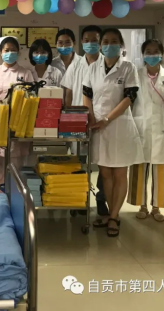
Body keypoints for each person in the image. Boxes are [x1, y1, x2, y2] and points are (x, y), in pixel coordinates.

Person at [83, 28, 144, 237]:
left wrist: (107, 119)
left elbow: (129, 98)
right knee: (106, 174)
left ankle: (114, 216)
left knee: (119, 174)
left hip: (119, 126)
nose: (109, 45)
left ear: (121, 45)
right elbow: (87, 94)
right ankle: (111, 214)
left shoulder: (128, 68)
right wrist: (91, 117)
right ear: (101, 45)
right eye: (106, 41)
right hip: (98, 127)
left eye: (114, 41)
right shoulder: (93, 68)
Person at [61, 25, 108, 217]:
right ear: (81, 42)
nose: (90, 43)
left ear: (100, 42)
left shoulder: (107, 64)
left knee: (104, 163)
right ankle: (79, 199)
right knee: (79, 162)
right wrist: (68, 118)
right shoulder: (76, 64)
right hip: (77, 121)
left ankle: (101, 199)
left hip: (102, 121)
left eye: (94, 40)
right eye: (87, 40)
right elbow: (68, 93)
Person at [127, 39, 164, 222]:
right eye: (148, 51)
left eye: (156, 51)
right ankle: (142, 205)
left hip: (161, 127)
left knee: (160, 167)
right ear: (143, 54)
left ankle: (157, 207)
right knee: (140, 166)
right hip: (141, 125)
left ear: (161, 54)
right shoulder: (136, 74)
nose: (152, 54)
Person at [0, 36, 34, 190]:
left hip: (17, 125)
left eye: (13, 50)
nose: (10, 53)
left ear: (19, 52)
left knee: (16, 166)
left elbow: (31, 99)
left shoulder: (25, 73)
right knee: (0, 166)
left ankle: (16, 198)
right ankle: (0, 196)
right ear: (0, 52)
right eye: (6, 50)